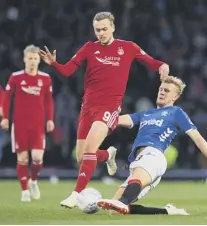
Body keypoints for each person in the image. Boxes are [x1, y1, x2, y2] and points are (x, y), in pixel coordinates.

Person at [39, 11, 170, 208]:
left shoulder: (127, 48)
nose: (101, 33)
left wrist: (163, 65)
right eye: (97, 30)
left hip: (109, 108)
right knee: (82, 157)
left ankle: (77, 193)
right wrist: (54, 64)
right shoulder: (89, 48)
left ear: (113, 27)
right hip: (88, 107)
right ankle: (108, 155)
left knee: (90, 149)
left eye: (104, 29)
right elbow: (67, 71)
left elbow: (151, 62)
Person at [97, 76, 207, 215]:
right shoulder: (146, 114)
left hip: (153, 156)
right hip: (141, 161)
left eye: (167, 91)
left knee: (124, 196)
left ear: (175, 96)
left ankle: (121, 202)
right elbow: (115, 120)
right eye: (161, 89)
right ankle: (167, 211)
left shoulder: (176, 112)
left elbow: (198, 138)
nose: (162, 92)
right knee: (116, 210)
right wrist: (102, 112)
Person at [1, 45, 54, 202]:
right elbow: (6, 98)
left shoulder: (45, 78)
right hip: (20, 124)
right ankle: (24, 191)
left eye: (35, 59)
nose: (32, 61)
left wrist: (50, 119)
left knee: (37, 159)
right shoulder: (16, 77)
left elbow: (49, 101)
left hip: (38, 124)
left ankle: (33, 180)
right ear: (24, 59)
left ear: (39, 60)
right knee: (22, 159)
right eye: (29, 58)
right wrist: (5, 117)